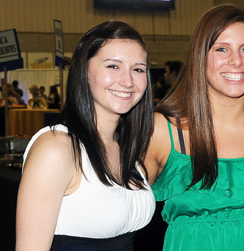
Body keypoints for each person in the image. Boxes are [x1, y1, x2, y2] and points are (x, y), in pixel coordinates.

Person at [144, 4, 244, 251]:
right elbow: (122, 214)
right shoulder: (162, 130)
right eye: (222, 49)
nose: (236, 61)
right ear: (200, 56)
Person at [16, 21, 155, 250]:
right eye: (113, 66)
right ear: (84, 70)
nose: (128, 81)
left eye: (138, 69)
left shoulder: (126, 146)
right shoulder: (56, 148)